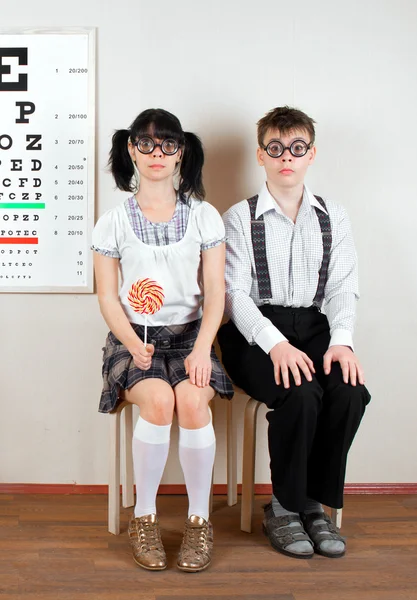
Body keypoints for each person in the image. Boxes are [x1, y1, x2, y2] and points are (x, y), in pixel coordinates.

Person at [218, 106, 371, 559]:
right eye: (276, 148)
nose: (287, 156)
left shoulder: (333, 217)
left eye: (297, 148)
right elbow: (233, 295)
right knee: (298, 393)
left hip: (315, 325)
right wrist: (275, 344)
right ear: (261, 155)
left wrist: (341, 340)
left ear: (311, 155)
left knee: (349, 391)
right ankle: (284, 508)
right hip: (254, 332)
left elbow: (344, 286)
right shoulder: (239, 218)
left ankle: (313, 503)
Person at [92, 108, 233, 572]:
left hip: (193, 336)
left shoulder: (204, 217)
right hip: (134, 338)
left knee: (193, 403)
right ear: (131, 148)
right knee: (157, 402)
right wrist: (132, 344)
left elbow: (215, 295)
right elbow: (108, 298)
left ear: (181, 153)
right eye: (147, 143)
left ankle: (198, 521)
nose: (157, 153)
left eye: (168, 144)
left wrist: (200, 349)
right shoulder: (112, 221)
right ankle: (146, 516)